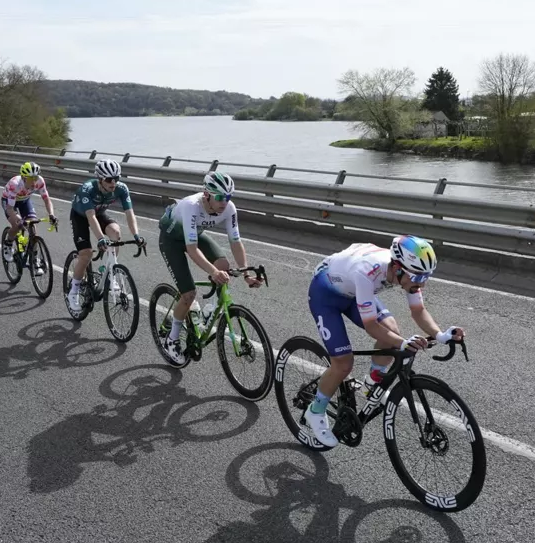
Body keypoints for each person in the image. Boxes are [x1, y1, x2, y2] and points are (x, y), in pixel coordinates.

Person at [301, 236, 463, 448]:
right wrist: (403, 343)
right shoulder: (367, 272)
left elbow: (418, 310)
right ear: (397, 268)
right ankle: (315, 410)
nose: (421, 283)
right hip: (326, 295)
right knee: (343, 362)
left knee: (392, 331)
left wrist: (441, 335)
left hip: (354, 292)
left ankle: (371, 383)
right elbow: (371, 327)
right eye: (417, 277)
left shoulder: (406, 272)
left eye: (426, 276)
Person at [156, 171, 261, 363]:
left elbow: (236, 242)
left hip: (193, 235)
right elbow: (192, 249)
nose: (224, 202)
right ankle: (172, 339)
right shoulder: (191, 206)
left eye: (228, 197)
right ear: (207, 195)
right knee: (188, 294)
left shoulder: (229, 208)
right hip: (171, 241)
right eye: (220, 197)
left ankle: (209, 311)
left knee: (223, 264)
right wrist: (213, 272)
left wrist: (245, 273)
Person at [66, 159, 144, 314]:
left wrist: (136, 235)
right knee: (86, 254)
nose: (113, 183)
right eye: (109, 180)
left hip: (99, 213)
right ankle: (73, 291)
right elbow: (90, 217)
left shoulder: (121, 189)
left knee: (116, 234)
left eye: (116, 179)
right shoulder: (87, 189)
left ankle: (107, 271)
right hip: (81, 215)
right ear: (100, 179)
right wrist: (100, 238)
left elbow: (130, 214)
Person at [0, 161, 58, 273]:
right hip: (9, 202)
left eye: (35, 178)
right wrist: (19, 220)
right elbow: (10, 209)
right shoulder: (15, 184)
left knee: (33, 227)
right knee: (16, 225)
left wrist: (51, 214)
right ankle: (8, 245)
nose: (33, 181)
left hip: (25, 201)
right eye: (30, 178)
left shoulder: (40, 181)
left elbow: (46, 199)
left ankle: (34, 259)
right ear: (23, 177)